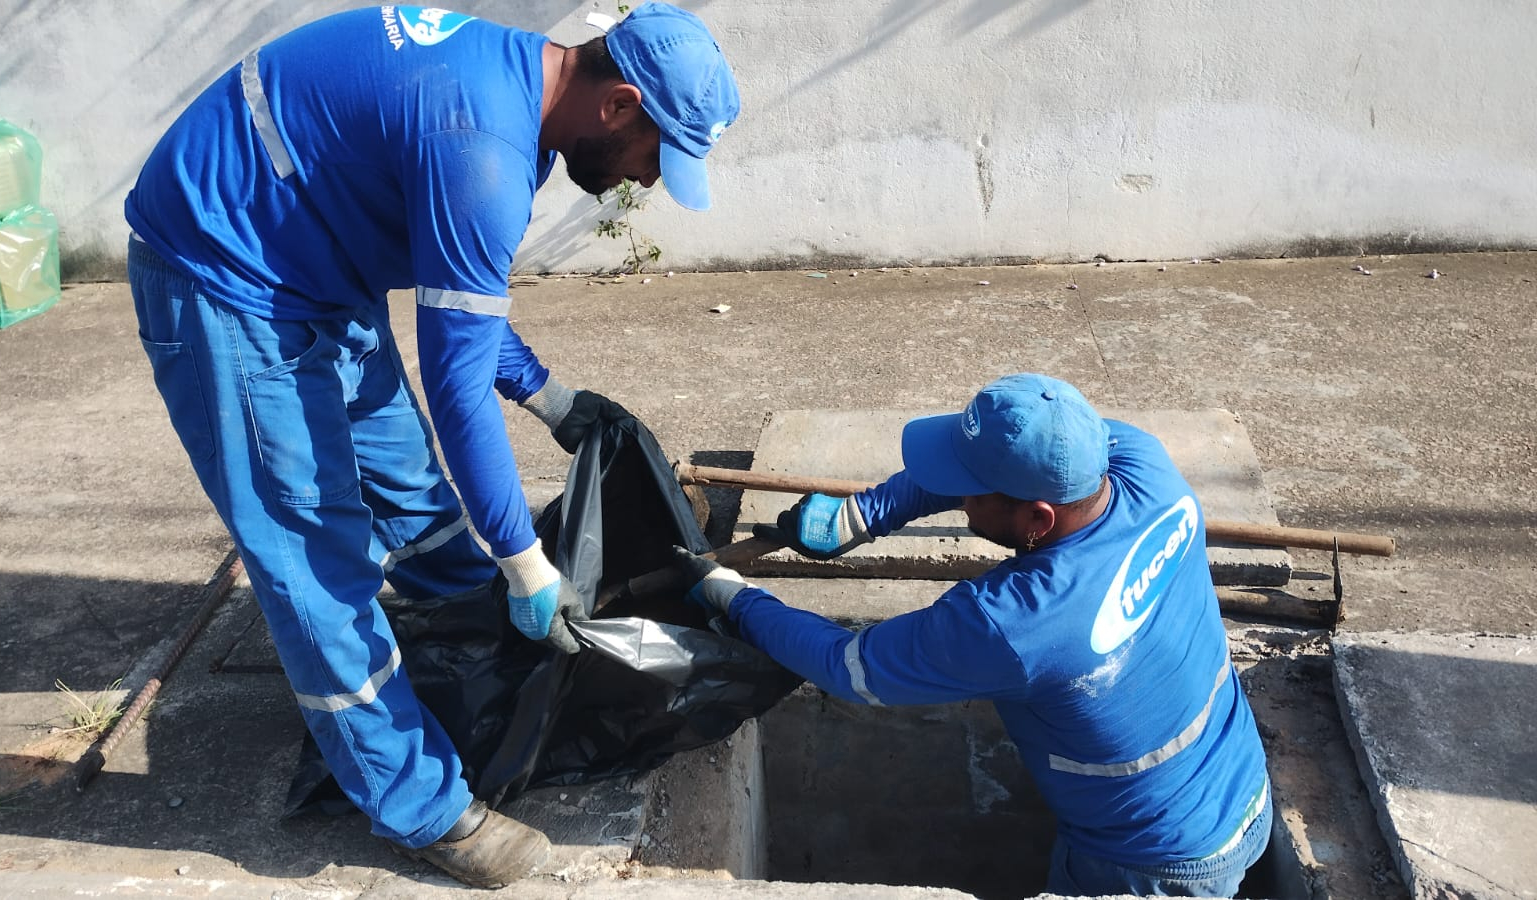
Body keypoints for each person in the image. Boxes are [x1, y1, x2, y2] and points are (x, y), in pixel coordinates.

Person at [125, 3, 738, 888]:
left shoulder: (516, 94)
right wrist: (525, 560)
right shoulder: (481, 146)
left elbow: (465, 299)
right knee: (313, 552)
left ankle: (463, 649)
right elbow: (454, 389)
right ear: (619, 104)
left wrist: (552, 398)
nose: (647, 182)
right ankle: (419, 808)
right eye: (657, 155)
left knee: (410, 492)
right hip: (229, 279)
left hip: (316, 264)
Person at [670, 373, 1271, 897]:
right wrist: (866, 513)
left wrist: (737, 598)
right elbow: (1004, 471)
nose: (958, 497)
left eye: (969, 492)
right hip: (1243, 790)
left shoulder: (1014, 621)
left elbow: (850, 668)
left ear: (1037, 520)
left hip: (1146, 870)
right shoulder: (1140, 463)